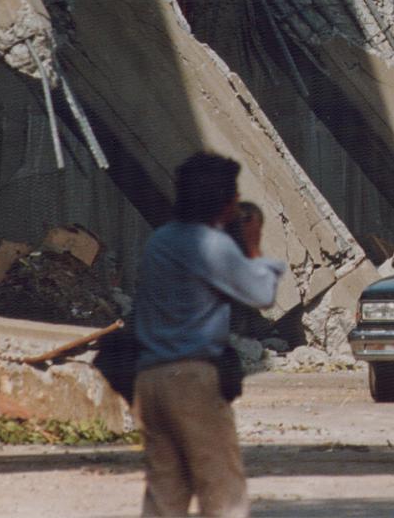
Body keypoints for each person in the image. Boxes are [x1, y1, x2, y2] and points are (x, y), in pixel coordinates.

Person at [133, 152, 287, 517]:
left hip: (151, 377)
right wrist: (252, 246)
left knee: (164, 491)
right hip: (191, 377)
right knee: (221, 489)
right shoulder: (212, 245)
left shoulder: (160, 241)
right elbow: (261, 294)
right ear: (223, 200)